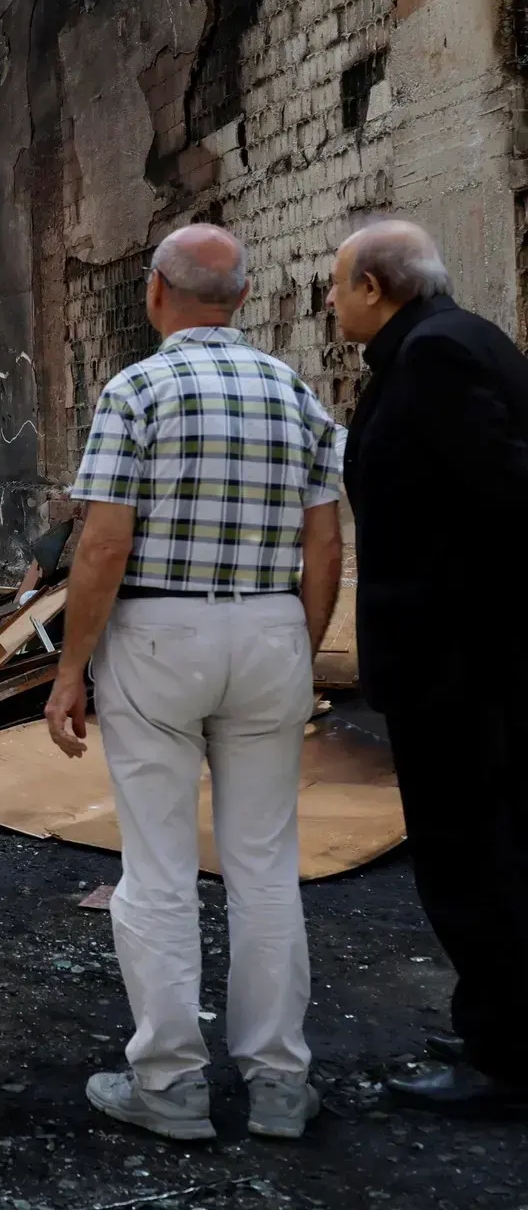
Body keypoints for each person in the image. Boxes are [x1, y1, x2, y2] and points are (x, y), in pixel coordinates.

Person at [45, 224, 343, 1141]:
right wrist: (299, 643)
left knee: (160, 870)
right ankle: (279, 1086)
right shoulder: (296, 393)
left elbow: (102, 542)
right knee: (264, 869)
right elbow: (325, 543)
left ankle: (171, 1087)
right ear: (244, 299)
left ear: (155, 294)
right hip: (269, 627)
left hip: (159, 631)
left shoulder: (136, 390)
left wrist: (69, 672)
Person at [329, 218, 528, 1118]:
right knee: (484, 854)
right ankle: (493, 1024)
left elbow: (507, 491)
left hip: (462, 666)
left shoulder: (437, 356)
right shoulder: (459, 338)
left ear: (375, 286)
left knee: (470, 861)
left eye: (336, 286)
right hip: (467, 658)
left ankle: (504, 1059)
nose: (329, 302)